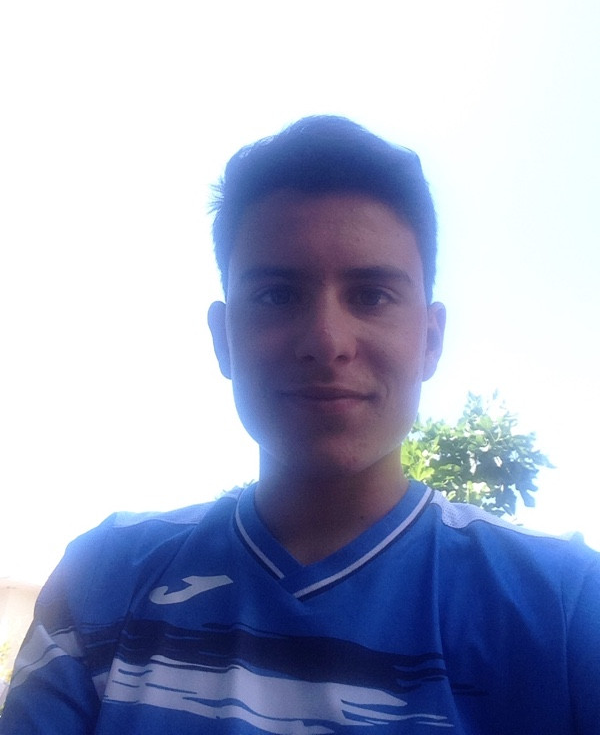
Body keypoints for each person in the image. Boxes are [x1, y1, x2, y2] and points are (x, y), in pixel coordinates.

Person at [1, 117, 598, 734]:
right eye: (277, 295)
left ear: (431, 339)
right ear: (222, 338)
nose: (327, 340)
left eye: (371, 295)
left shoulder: (566, 608)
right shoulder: (104, 582)